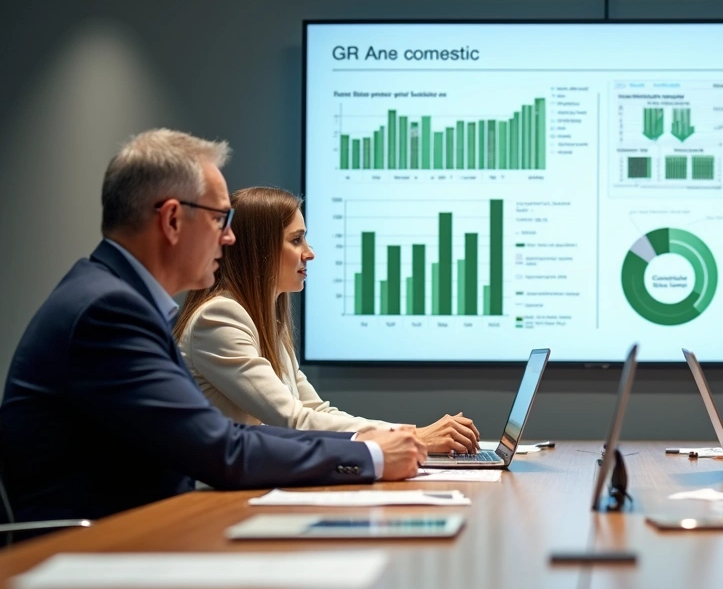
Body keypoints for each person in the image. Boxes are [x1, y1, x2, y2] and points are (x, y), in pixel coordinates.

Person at [0, 130, 427, 524]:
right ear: (171, 220)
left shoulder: (118, 299)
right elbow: (220, 447)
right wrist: (367, 454)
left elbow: (226, 436)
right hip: (93, 551)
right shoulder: (108, 312)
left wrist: (370, 447)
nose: (230, 238)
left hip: (137, 533)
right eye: (220, 219)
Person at [173, 186, 482, 453]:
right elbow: (293, 421)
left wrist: (410, 436)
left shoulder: (264, 321)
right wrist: (416, 437)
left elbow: (315, 410)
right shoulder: (219, 317)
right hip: (214, 500)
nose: (310, 253)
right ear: (260, 250)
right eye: (296, 240)